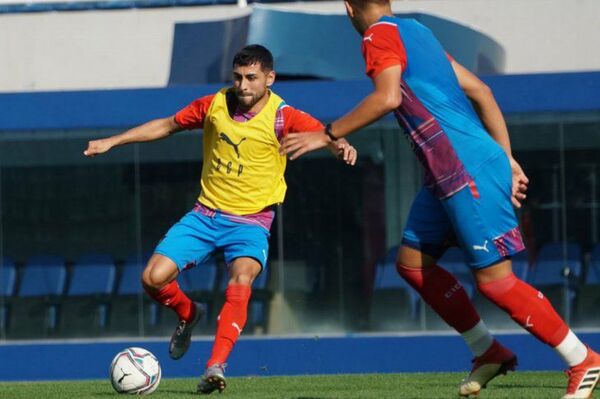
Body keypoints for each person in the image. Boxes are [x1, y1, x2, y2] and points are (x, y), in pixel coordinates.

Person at [280, 1, 600, 398]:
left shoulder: (377, 35)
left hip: (466, 171)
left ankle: (581, 358)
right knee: (412, 265)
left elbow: (387, 98)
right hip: (448, 174)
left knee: (496, 283)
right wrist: (507, 158)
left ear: (348, 7)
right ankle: (488, 351)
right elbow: (481, 91)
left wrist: (326, 134)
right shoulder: (416, 31)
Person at [84, 44, 357, 395]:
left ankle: (215, 365)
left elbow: (325, 133)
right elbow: (166, 125)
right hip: (205, 215)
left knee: (241, 279)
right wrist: (113, 141)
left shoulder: (282, 116)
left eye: (252, 78)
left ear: (270, 79)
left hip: (251, 223)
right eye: (239, 77)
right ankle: (188, 313)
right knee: (152, 279)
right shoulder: (212, 106)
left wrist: (341, 146)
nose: (243, 85)